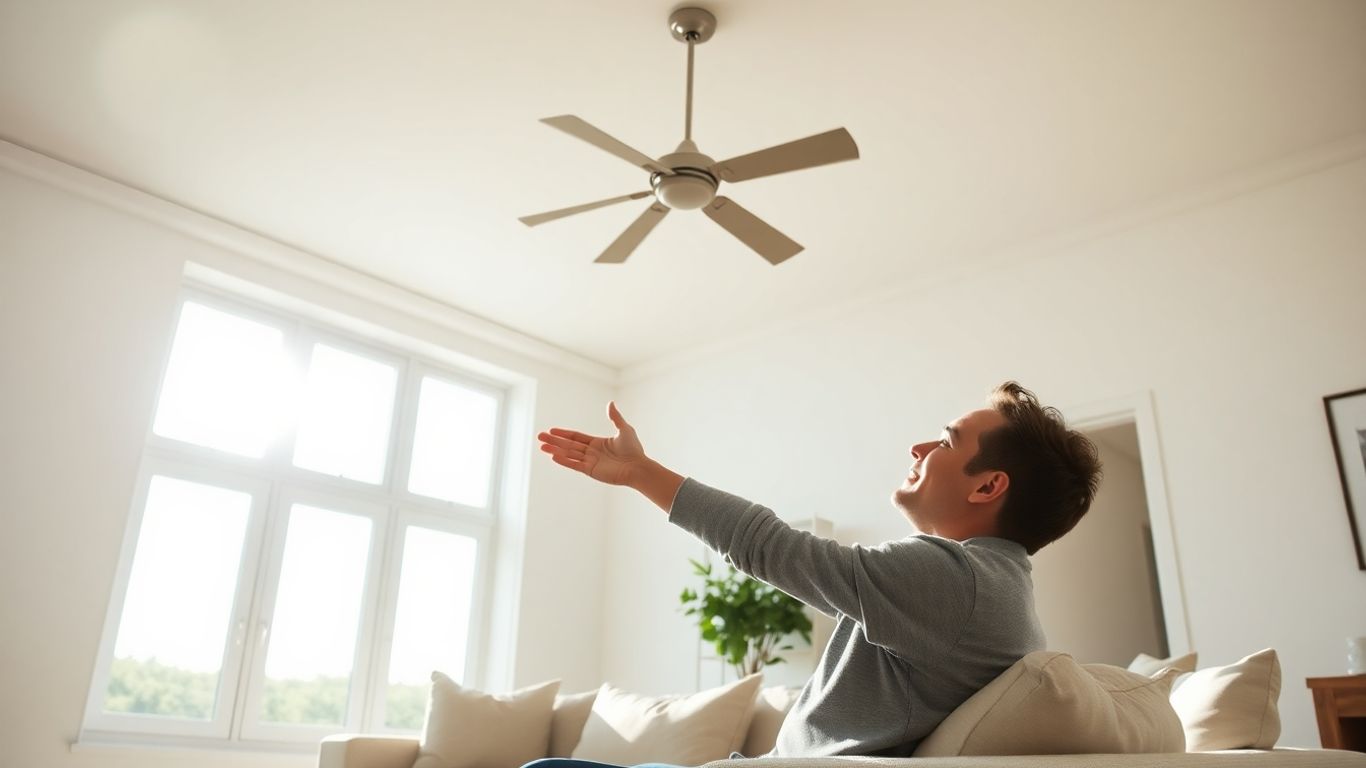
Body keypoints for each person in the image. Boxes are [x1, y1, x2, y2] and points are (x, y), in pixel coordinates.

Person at [535, 381, 1102, 758]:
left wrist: (640, 472)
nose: (919, 446)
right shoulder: (990, 586)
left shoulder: (956, 579)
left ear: (987, 486)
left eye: (947, 440)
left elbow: (767, 545)